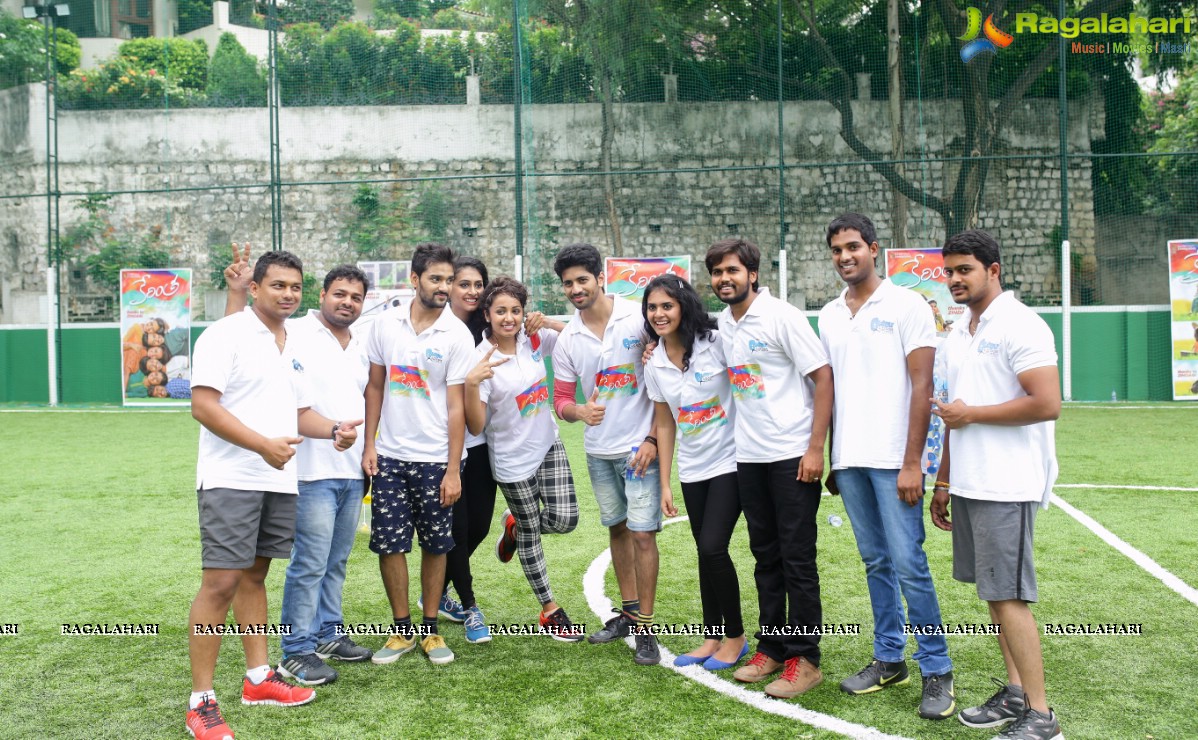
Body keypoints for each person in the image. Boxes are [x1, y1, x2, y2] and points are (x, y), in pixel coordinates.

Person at [185, 250, 360, 740]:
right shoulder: (227, 334)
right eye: (278, 285)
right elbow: (202, 405)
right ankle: (201, 700)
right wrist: (261, 445)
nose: (287, 294)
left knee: (255, 578)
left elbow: (299, 413)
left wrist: (334, 431)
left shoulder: (294, 343)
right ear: (256, 288)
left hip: (278, 479)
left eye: (294, 287)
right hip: (231, 478)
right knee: (220, 584)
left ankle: (259, 678)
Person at [817, 214, 955, 720]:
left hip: (896, 461)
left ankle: (937, 667)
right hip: (850, 461)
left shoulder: (906, 305)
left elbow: (923, 387)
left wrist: (913, 461)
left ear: (874, 249)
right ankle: (889, 657)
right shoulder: (830, 314)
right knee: (876, 563)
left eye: (853, 247)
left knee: (909, 564)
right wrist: (833, 455)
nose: (845, 256)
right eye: (836, 250)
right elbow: (829, 390)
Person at [222, 245, 377, 687]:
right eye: (339, 294)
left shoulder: (360, 343)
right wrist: (236, 293)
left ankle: (328, 634)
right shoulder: (296, 331)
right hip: (308, 471)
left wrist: (366, 448)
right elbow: (238, 333)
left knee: (336, 560)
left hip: (349, 469)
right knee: (308, 562)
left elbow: (366, 398)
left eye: (355, 297)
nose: (347, 302)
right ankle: (297, 650)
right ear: (323, 295)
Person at [929, 229, 1063, 740]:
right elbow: (954, 411)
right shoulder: (961, 329)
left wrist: (972, 415)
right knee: (993, 594)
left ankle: (1043, 716)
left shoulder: (1021, 324)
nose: (955, 279)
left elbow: (1046, 402)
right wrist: (944, 480)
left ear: (994, 270)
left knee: (1009, 598)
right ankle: (1015, 693)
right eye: (950, 271)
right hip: (971, 481)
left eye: (965, 269)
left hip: (1008, 482)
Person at [706, 237, 832, 699]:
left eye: (732, 271)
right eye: (718, 273)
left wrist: (816, 448)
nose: (725, 279)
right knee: (765, 556)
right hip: (749, 458)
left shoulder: (783, 317)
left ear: (753, 274)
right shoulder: (723, 324)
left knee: (797, 558)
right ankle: (773, 647)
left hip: (792, 456)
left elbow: (823, 378)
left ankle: (806, 659)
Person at [362, 242, 476, 667]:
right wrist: (370, 443)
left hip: (435, 461)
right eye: (436, 279)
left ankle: (430, 631)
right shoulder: (385, 324)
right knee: (390, 545)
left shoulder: (456, 334)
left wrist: (453, 469)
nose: (445, 287)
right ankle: (401, 630)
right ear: (415, 280)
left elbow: (455, 406)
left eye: (449, 279)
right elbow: (375, 386)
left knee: (435, 544)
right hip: (389, 456)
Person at [551, 243, 663, 666]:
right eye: (568, 283)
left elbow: (670, 365)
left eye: (583, 280)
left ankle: (646, 629)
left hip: (639, 450)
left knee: (642, 534)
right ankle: (629, 613)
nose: (576, 289)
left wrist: (653, 439)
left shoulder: (638, 316)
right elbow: (561, 398)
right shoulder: (569, 338)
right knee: (617, 530)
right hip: (598, 452)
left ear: (601, 278)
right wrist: (578, 410)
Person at [463, 276, 583, 640]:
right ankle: (550, 610)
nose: (509, 318)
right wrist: (471, 384)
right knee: (533, 531)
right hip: (512, 460)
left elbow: (577, 341)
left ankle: (513, 525)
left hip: (548, 444)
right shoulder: (481, 358)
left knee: (566, 520)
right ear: (487, 314)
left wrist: (546, 322)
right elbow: (476, 423)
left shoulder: (534, 339)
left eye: (516, 310)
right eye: (501, 311)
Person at [641, 275, 746, 670]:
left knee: (713, 546)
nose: (659, 314)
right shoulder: (654, 364)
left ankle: (735, 637)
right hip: (693, 468)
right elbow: (664, 424)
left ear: (683, 305)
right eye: (652, 307)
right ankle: (712, 637)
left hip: (732, 461)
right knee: (705, 552)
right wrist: (665, 482)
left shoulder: (714, 343)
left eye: (667, 305)